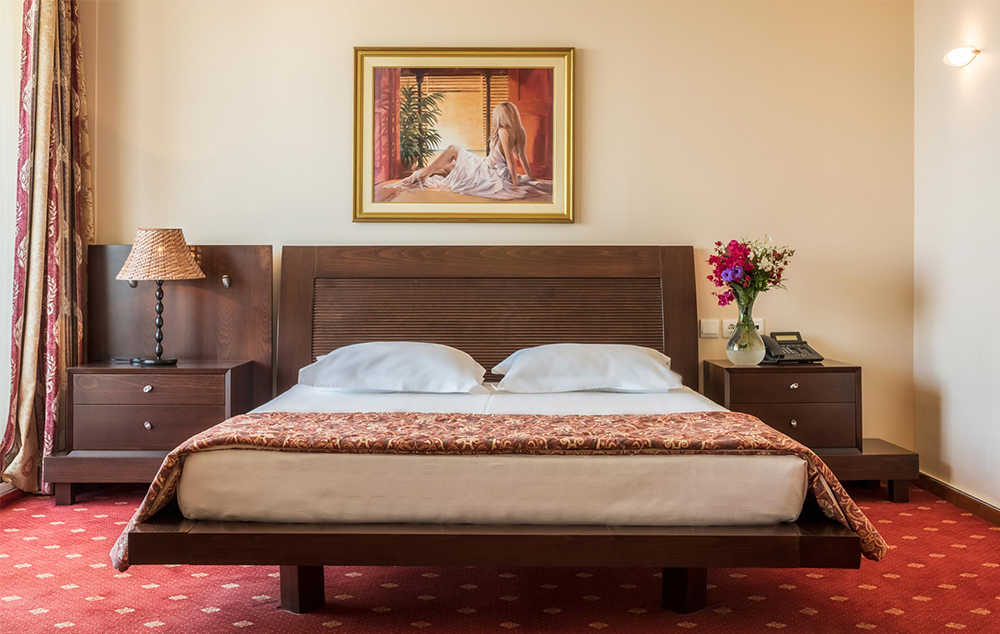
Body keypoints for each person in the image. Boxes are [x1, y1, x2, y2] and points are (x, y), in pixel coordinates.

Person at [390, 101, 548, 200]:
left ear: (501, 116)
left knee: (452, 149)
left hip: (488, 171)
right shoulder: (520, 131)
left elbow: (511, 160)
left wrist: (515, 183)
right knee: (451, 166)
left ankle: (424, 174)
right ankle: (426, 173)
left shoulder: (503, 131)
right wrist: (530, 176)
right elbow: (522, 156)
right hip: (489, 167)